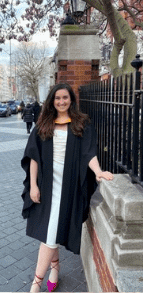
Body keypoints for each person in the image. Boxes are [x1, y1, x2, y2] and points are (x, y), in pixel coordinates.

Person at [21, 83, 114, 293]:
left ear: (71, 99)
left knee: (51, 231)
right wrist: (34, 185)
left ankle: (38, 282)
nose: (61, 102)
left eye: (65, 98)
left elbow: (88, 153)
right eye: (57, 98)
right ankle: (48, 275)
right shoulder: (44, 123)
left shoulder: (81, 123)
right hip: (46, 185)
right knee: (50, 231)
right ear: (52, 101)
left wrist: (98, 172)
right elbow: (33, 157)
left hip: (68, 186)